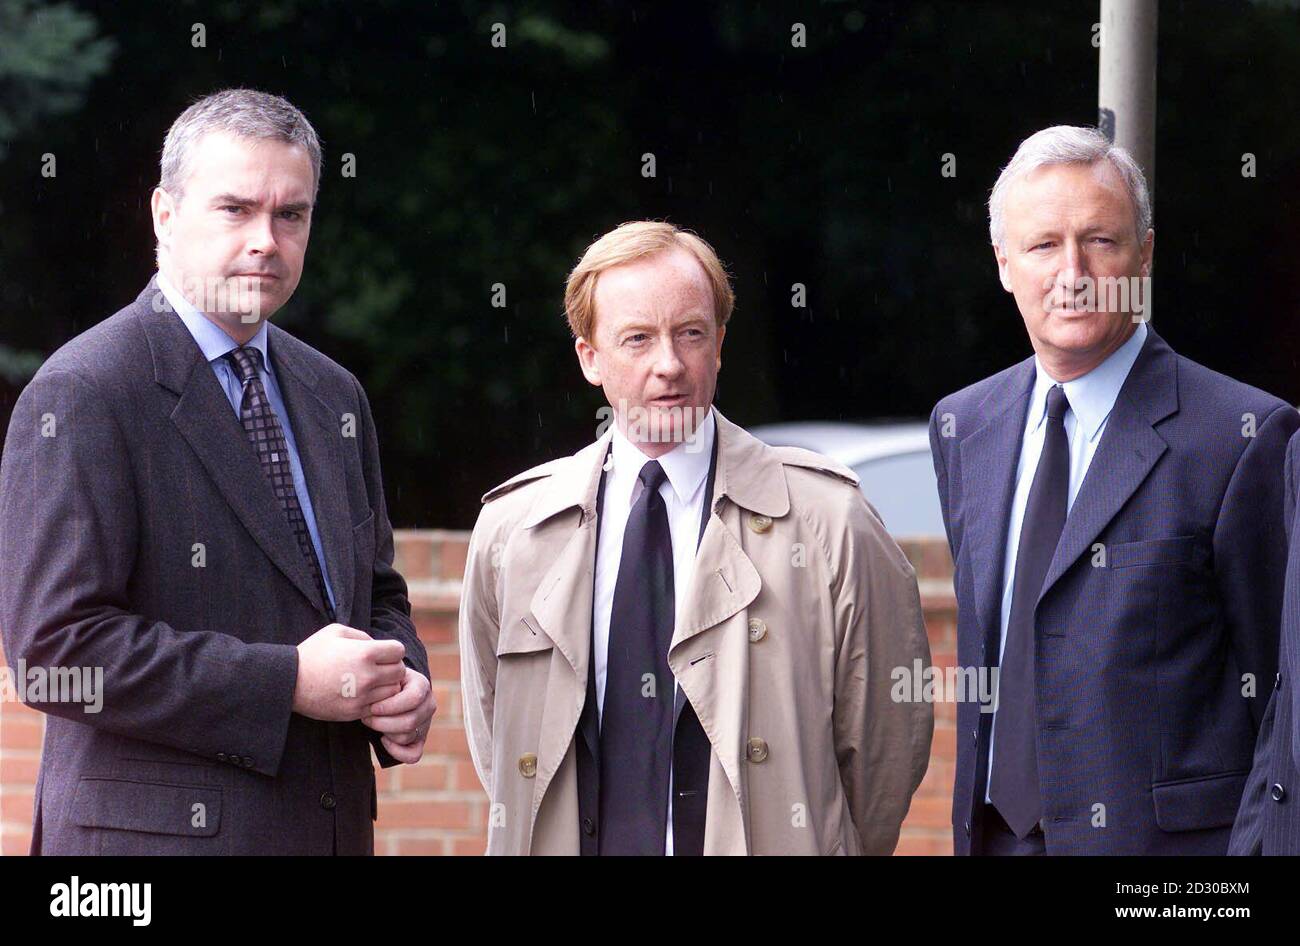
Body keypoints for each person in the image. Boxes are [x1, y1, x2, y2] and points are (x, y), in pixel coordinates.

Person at [0, 88, 433, 855]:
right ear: (165, 215)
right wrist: (286, 682)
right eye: (235, 210)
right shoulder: (86, 390)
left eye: (291, 214)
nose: (267, 240)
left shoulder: (334, 393)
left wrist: (400, 679)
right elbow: (53, 657)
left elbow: (376, 591)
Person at [459, 220, 933, 855]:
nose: (669, 365)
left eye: (691, 334)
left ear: (720, 346)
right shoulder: (512, 532)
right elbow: (501, 746)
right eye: (637, 339)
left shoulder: (830, 524)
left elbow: (884, 752)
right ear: (589, 358)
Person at [930, 125, 1297, 855]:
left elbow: (1283, 699)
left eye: (1100, 241)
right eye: (1042, 246)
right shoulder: (963, 426)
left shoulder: (1247, 436)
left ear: (1146, 254)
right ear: (1004, 264)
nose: (1073, 272)